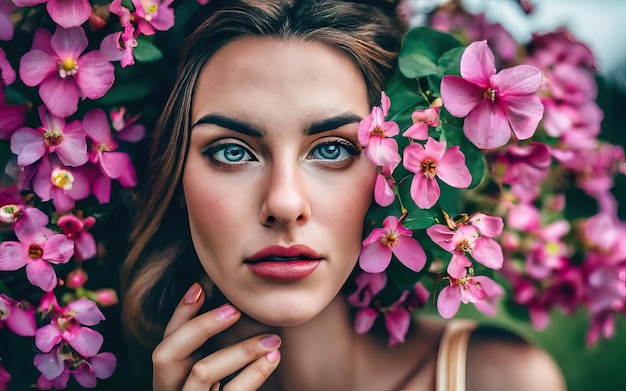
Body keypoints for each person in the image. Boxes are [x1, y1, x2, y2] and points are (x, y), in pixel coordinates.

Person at [121, 0, 566, 390]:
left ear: (395, 168)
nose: (284, 204)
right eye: (233, 152)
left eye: (332, 149)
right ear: (176, 175)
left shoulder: (502, 381)